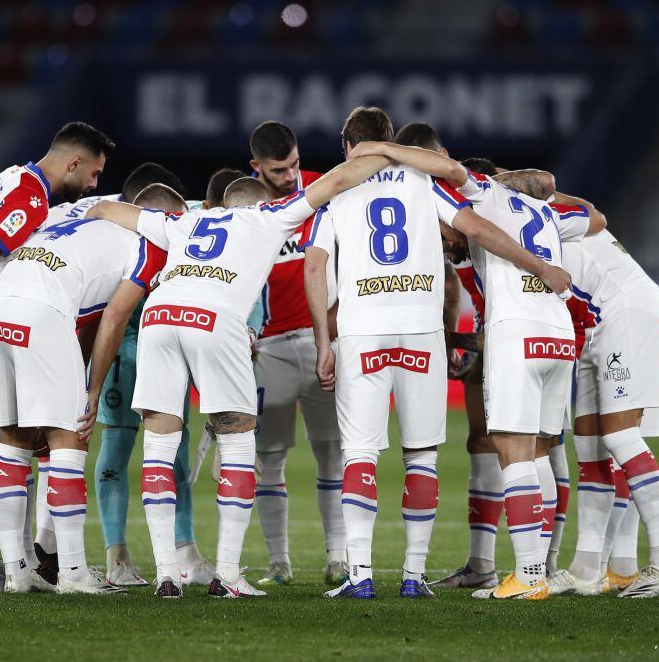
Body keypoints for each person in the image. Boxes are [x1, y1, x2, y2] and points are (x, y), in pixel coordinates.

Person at [84, 159, 394, 599]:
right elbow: (336, 181)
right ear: (265, 203)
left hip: (160, 316)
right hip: (215, 319)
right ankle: (227, 576)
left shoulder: (185, 219)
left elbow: (115, 212)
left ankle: (166, 576)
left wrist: (88, 213)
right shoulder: (269, 216)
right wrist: (382, 154)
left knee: (158, 446)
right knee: (237, 446)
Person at [303, 109, 574, 599]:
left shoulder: (336, 186)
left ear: (349, 142)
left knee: (360, 453)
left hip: (363, 331)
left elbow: (315, 265)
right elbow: (479, 230)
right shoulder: (425, 183)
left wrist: (324, 341)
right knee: (421, 456)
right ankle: (413, 576)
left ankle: (360, 576)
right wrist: (539, 266)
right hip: (422, 333)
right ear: (392, 140)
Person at [0, 121, 114, 592]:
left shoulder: (3, 179)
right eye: (92, 173)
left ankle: (5, 567)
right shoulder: (30, 197)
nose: (93, 184)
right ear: (73, 161)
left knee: (3, 445)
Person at [0, 182, 180, 594]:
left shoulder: (79, 222)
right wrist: (92, 389)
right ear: (159, 220)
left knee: (12, 443)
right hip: (41, 310)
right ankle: (72, 573)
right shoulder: (151, 247)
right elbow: (113, 318)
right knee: (71, 438)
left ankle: (18, 573)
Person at [51, 169, 216, 588]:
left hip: (170, 348)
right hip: (124, 347)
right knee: (117, 444)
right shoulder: (119, 233)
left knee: (174, 450)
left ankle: (186, 551)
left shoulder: (191, 219)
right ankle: (117, 555)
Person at [445, 164, 600, 601]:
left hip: (526, 331)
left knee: (518, 454)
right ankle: (543, 569)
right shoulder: (545, 211)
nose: (449, 240)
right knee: (542, 450)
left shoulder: (484, 211)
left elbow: (446, 168)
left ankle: (530, 575)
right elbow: (595, 218)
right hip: (558, 336)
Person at [546, 224, 659, 598]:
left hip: (624, 310)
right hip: (594, 321)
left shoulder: (533, 207)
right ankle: (587, 569)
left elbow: (594, 214)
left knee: (621, 436)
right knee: (589, 449)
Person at [246, 121, 347, 587]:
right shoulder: (243, 205)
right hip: (268, 350)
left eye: (294, 164)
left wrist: (338, 319)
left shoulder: (324, 192)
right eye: (278, 170)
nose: (290, 176)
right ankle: (279, 562)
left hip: (323, 340)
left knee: (333, 454)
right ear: (256, 168)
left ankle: (338, 557)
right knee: (270, 458)